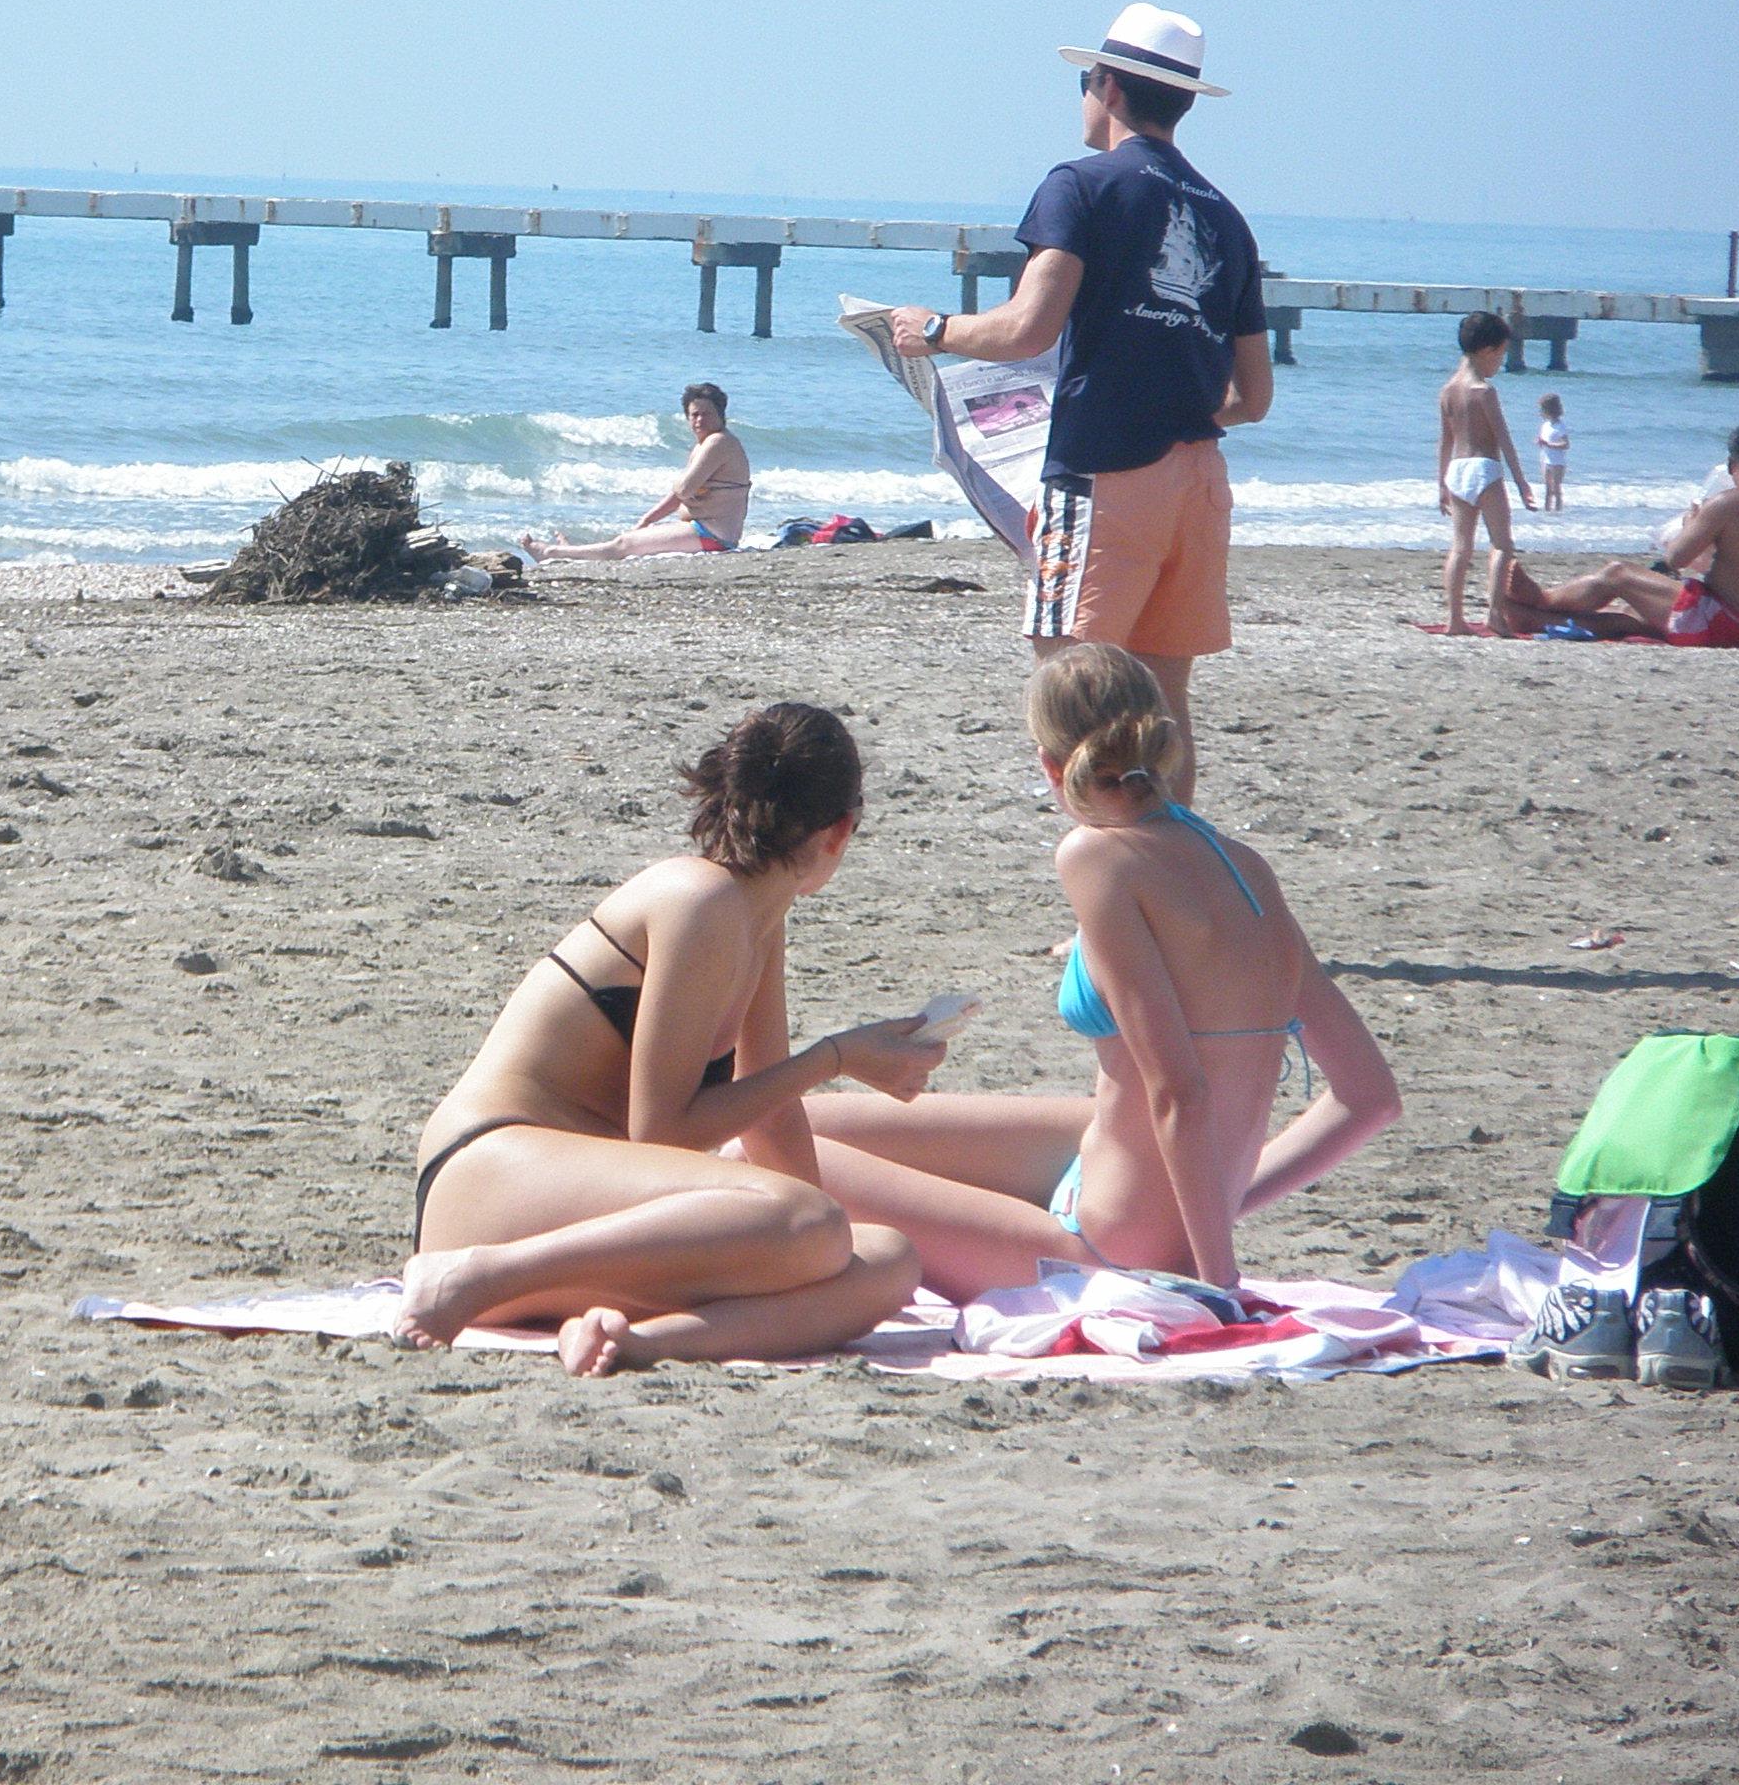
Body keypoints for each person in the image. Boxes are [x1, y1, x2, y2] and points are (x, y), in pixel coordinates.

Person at [804, 646, 1400, 1302]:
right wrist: (1224, 1198)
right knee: (798, 1118)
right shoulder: (1243, 866)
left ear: (1050, 765)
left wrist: (1217, 1278)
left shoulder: (1097, 855)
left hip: (1105, 1243)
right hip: (1124, 1171)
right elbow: (1368, 1098)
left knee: (760, 1147)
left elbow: (1179, 1089)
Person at [398, 703, 942, 1374]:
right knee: (815, 1227)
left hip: (584, 1213)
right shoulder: (699, 899)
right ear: (840, 830)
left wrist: (808, 1254)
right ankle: (475, 1275)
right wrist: (834, 1059)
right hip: (487, 1176)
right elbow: (657, 1130)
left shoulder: (758, 918)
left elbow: (770, 1122)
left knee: (886, 1259)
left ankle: (635, 1342)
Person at [888, 4, 1270, 803]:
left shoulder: (1081, 184)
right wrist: (1170, 404)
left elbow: (1029, 329)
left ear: (1107, 87)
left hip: (1104, 477)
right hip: (1198, 482)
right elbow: (1253, 396)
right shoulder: (1227, 220)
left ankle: (1105, 897)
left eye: (1084, 80)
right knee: (1166, 706)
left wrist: (932, 328)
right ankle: (1172, 879)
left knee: (1075, 694)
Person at [1492, 421, 1739, 648]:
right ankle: (1533, 619)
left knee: (1618, 574)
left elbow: (1675, 558)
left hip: (1720, 622)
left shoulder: (1727, 503)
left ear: (1731, 463)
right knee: (1630, 619)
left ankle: (1544, 600)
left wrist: (1692, 524)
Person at [525, 384, 752, 561]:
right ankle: (570, 552)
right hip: (701, 529)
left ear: (721, 415)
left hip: (714, 536)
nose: (699, 420)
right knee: (631, 539)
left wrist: (685, 490)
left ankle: (551, 553)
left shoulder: (719, 442)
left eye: (706, 414)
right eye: (694, 415)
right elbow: (680, 495)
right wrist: (647, 519)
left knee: (625, 545)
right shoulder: (703, 445)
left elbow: (683, 489)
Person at [1434, 313, 1537, 633]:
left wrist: (1440, 485)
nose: (1501, 361)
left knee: (1461, 546)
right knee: (1502, 544)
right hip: (1484, 468)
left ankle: (1454, 619)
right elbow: (1503, 440)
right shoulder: (1484, 391)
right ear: (1488, 350)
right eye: (1502, 353)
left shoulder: (1448, 390)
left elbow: (1445, 441)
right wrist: (1521, 483)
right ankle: (1494, 614)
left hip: (1457, 470)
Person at [1537, 392, 1570, 514]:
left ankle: (1558, 512)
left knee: (1556, 489)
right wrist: (1540, 442)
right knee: (1547, 489)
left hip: (1557, 462)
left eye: (1542, 409)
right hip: (1546, 459)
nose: (1540, 412)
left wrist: (1548, 444)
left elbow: (1565, 444)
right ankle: (1547, 512)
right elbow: (1544, 441)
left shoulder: (1560, 426)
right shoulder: (1545, 425)